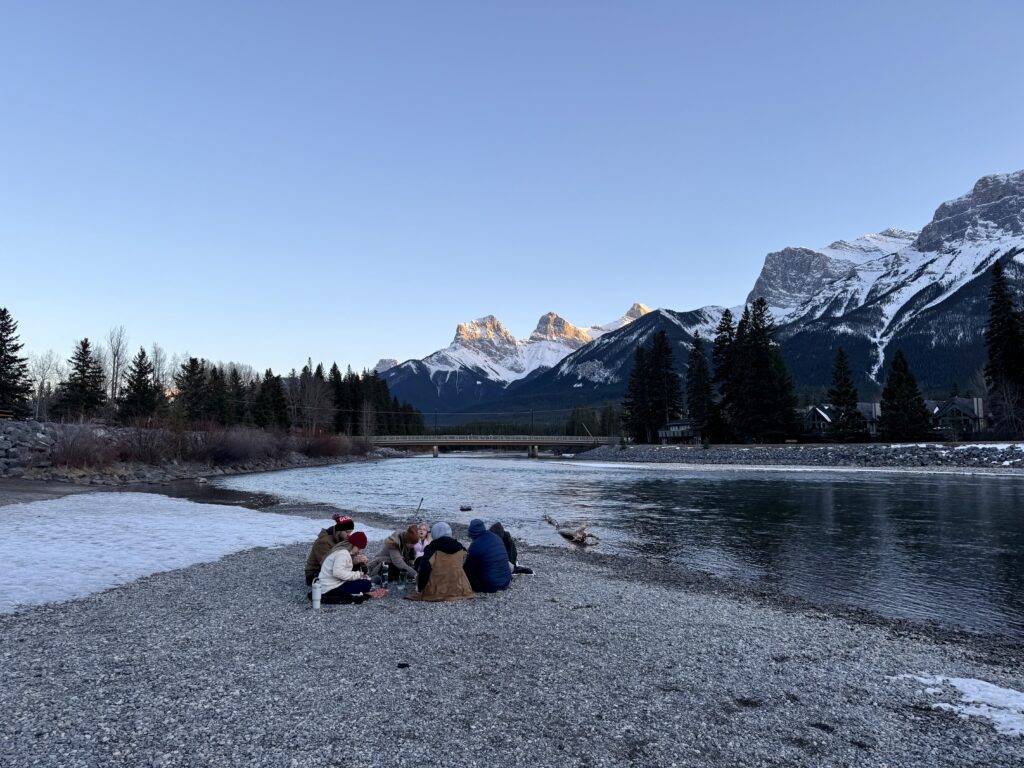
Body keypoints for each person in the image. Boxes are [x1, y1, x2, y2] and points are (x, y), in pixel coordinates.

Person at [407, 522, 474, 602]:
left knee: (419, 561)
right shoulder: (460, 547)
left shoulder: (432, 548)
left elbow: (425, 569)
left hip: (436, 589)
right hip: (458, 586)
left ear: (435, 533)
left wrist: (421, 588)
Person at [304, 515, 368, 585]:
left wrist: (358, 560)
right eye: (347, 532)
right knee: (350, 577)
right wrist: (353, 562)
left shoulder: (343, 539)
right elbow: (326, 564)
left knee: (357, 571)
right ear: (339, 530)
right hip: (315, 574)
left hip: (334, 569)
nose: (349, 535)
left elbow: (347, 557)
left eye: (351, 532)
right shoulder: (323, 542)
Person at [318, 531, 373, 604]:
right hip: (331, 587)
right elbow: (338, 573)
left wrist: (355, 562)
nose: (359, 551)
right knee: (366, 584)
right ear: (353, 545)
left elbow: (343, 567)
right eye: (358, 548)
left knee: (364, 582)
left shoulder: (343, 552)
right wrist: (358, 575)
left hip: (331, 583)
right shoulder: (343, 553)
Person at [463, 519, 512, 593]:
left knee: (468, 571)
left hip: (490, 585)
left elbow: (468, 568)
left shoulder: (476, 545)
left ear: (472, 534)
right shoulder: (496, 537)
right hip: (505, 582)